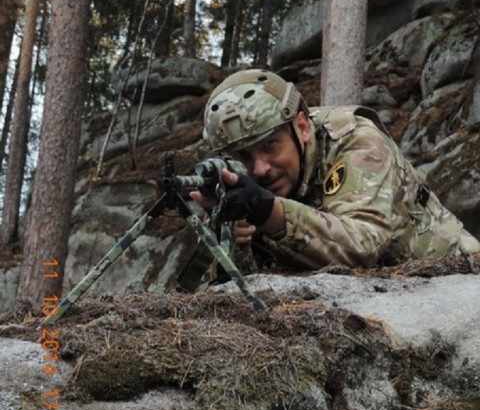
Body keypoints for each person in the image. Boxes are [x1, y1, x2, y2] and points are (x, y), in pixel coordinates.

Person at [190, 69, 480, 273]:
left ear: (302, 127)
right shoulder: (256, 179)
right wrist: (235, 231)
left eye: (270, 146)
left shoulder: (356, 141)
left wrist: (268, 212)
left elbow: (364, 245)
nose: (260, 168)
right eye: (244, 156)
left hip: (456, 275)